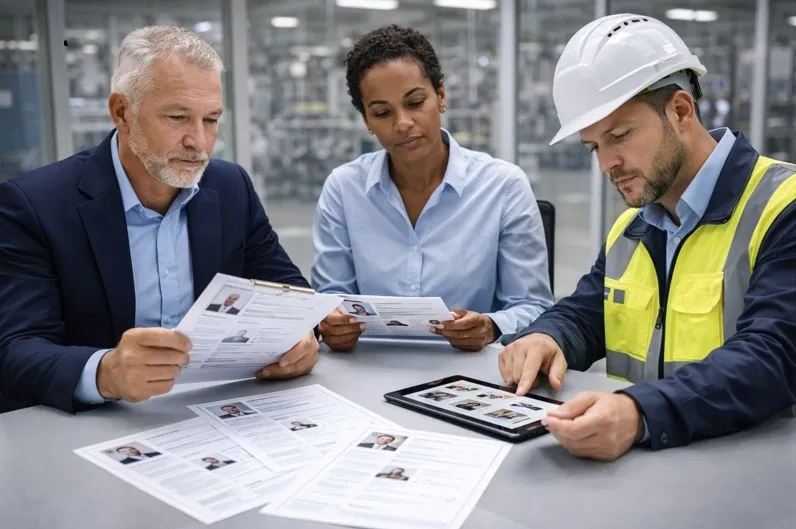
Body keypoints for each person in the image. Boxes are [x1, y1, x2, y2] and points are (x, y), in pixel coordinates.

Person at [499, 13, 796, 461]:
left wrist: (639, 412)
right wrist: (547, 337)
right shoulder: (632, 226)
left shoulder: (782, 207)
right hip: (646, 470)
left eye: (620, 136)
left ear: (680, 110)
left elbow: (772, 355)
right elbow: (587, 314)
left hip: (754, 480)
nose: (606, 164)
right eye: (595, 146)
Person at [0, 26, 320, 414]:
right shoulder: (36, 204)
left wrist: (301, 335)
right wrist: (105, 372)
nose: (198, 142)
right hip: (99, 423)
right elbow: (16, 350)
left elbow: (291, 293)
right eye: (177, 117)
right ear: (121, 111)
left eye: (211, 119)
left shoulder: (230, 187)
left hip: (214, 412)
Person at [311, 25, 554, 353]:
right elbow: (331, 297)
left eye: (415, 102)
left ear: (440, 96)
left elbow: (533, 307)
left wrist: (491, 326)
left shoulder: (503, 187)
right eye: (382, 112)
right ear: (366, 120)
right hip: (367, 368)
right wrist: (331, 322)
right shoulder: (343, 189)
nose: (402, 123)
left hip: (469, 375)